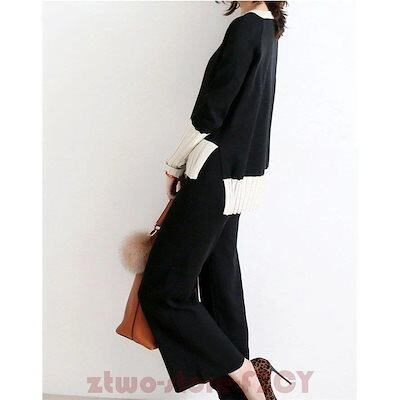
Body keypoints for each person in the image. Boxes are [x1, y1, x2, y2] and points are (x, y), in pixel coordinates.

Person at [138, 2, 288, 399]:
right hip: (240, 178)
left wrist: (175, 163)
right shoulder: (269, 30)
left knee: (164, 290)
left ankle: (246, 374)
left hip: (214, 174)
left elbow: (210, 113)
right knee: (220, 284)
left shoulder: (246, 28)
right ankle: (243, 392)